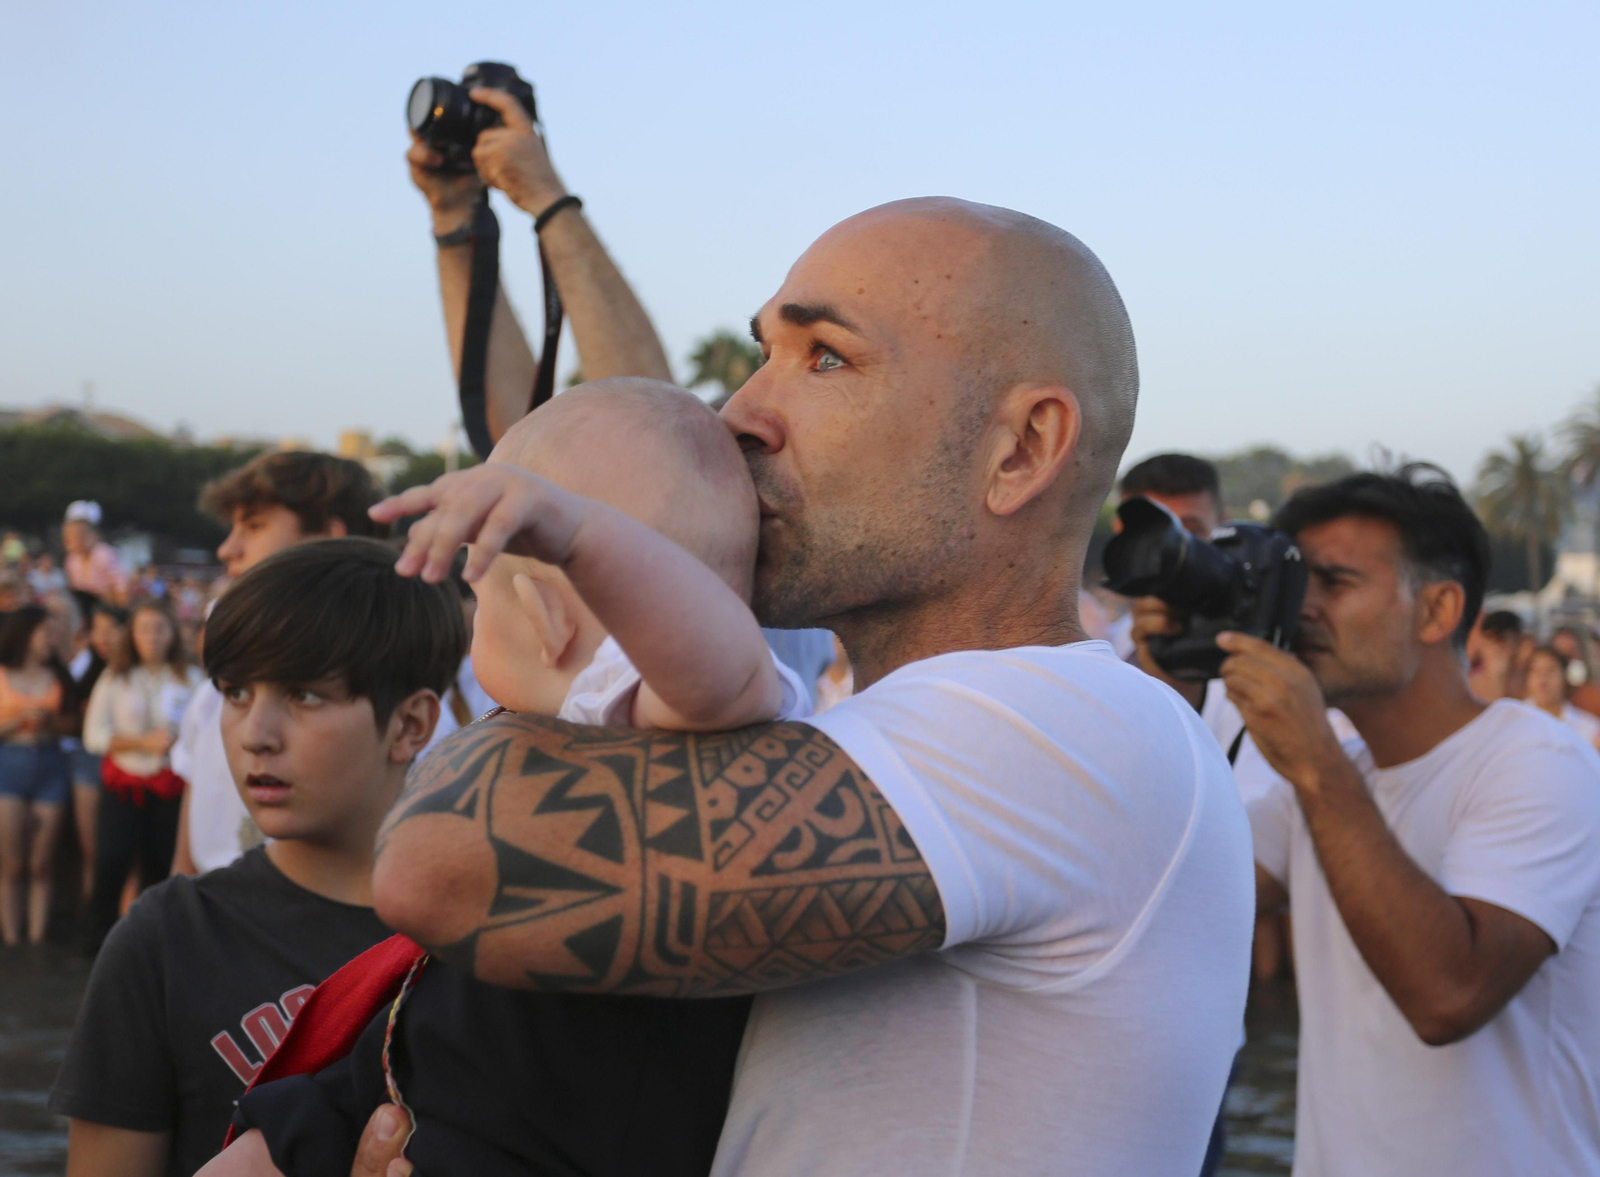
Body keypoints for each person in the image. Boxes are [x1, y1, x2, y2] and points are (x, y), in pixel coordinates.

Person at [337, 197, 1255, 1177]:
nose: (741, 414)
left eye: (825, 358)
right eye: (762, 351)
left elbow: (447, 862)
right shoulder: (865, 729)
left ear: (1021, 448)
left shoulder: (1071, 728)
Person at [212, 379, 811, 1177]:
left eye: (477, 586)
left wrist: (579, 536)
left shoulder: (649, 708)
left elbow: (725, 677)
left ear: (546, 614)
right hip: (424, 1057)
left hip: (538, 1113)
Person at [1212, 466, 1600, 1176]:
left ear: (1437, 610)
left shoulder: (1540, 761)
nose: (1304, 610)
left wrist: (1316, 761)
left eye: (1336, 583)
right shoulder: (1336, 772)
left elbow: (1448, 995)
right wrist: (1169, 686)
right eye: (1300, 585)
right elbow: (1178, 896)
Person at [51, 539, 462, 1177]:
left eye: (304, 695)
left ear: (410, 724)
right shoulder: (167, 939)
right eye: (236, 691)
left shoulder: (483, 943)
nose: (254, 734)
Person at [408, 86, 672, 443]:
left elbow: (651, 432)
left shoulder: (725, 445)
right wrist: (452, 212)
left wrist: (546, 197)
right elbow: (521, 444)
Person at [170, 451, 389, 879]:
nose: (227, 548)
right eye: (239, 695)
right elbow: (189, 848)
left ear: (327, 535)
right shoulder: (209, 697)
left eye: (254, 526)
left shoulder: (395, 691)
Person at [82, 598, 202, 946]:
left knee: (161, 862)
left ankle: (152, 940)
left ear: (172, 634)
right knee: (111, 859)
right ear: (132, 635)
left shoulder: (189, 678)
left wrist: (175, 742)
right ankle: (98, 937)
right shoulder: (115, 677)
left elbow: (201, 731)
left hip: (168, 784)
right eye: (144, 629)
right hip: (124, 783)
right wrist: (141, 743)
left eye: (160, 629)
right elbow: (93, 735)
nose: (152, 637)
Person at [0, 606, 73, 945]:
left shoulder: (60, 675)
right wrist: (14, 724)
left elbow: (74, 725)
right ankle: (13, 937)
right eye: (45, 631)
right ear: (25, 634)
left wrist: (52, 723)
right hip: (8, 764)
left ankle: (37, 936)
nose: (51, 638)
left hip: (50, 762)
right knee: (12, 860)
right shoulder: (2, 674)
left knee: (42, 859)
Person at [1106, 452, 1225, 658]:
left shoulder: (1256, 666)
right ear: (1120, 534)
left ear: (1223, 527)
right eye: (1153, 535)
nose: (1170, 552)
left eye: (1190, 534)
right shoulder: (1101, 654)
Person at [65, 605, 127, 902]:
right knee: (92, 849)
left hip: (126, 762)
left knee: (124, 851)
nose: (102, 636)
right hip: (88, 761)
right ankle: (91, 915)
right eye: (97, 629)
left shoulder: (133, 672)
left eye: (110, 628)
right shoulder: (85, 666)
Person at [1524, 644, 1600, 750]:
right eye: (1536, 671)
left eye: (1550, 671)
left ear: (1565, 676)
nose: (1543, 680)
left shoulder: (1590, 730)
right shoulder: (1514, 722)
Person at [62, 501, 131, 609]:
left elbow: (121, 587)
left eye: (79, 535)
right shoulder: (72, 560)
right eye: (70, 537)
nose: (74, 541)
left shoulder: (103, 553)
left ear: (93, 534)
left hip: (107, 606)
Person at [1465, 607, 1525, 702]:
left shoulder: (1529, 679)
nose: (1497, 648)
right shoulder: (1469, 684)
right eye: (1492, 641)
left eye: (1502, 641)